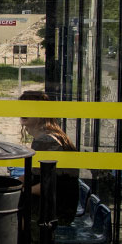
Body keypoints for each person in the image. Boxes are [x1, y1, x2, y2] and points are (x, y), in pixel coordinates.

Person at [19, 89, 79, 223]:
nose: (23, 112)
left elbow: (49, 185)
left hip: (55, 213)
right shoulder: (47, 136)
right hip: (57, 207)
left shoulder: (45, 140)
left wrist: (21, 190)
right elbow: (34, 175)